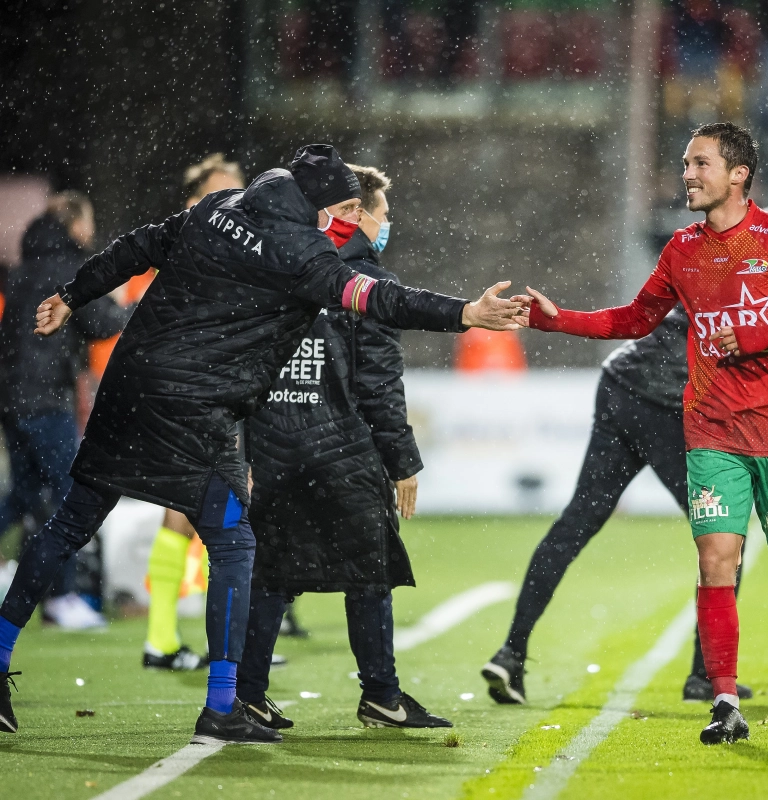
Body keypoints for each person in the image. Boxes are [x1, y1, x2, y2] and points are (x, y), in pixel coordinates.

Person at [0, 144, 524, 742]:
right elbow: (380, 299)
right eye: (348, 208)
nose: (354, 221)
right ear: (320, 206)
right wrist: (464, 313)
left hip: (133, 384)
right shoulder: (302, 254)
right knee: (233, 546)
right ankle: (225, 705)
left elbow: (139, 245)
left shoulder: (219, 207)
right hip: (200, 408)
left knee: (70, 523)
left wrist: (73, 295)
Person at [518, 123, 768, 744]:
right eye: (685, 164)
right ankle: (723, 700)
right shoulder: (681, 250)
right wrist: (557, 318)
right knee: (714, 559)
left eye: (701, 164)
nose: (688, 174)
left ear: (738, 174)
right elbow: (634, 318)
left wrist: (758, 335)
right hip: (711, 426)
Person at [236, 164, 451, 731]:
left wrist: (244, 445)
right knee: (369, 572)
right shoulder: (363, 282)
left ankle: (246, 694)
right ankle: (381, 694)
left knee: (273, 574)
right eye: (382, 213)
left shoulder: (276, 267)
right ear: (357, 214)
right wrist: (402, 461)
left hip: (276, 447)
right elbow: (378, 382)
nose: (387, 224)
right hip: (340, 449)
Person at [482, 302, 755, 705]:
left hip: (621, 383)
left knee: (574, 525)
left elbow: (641, 313)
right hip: (669, 405)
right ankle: (704, 675)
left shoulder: (708, 254)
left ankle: (511, 651)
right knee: (725, 539)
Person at [0, 191, 132, 630]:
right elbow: (100, 323)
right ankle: (63, 597)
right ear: (76, 224)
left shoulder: (22, 269)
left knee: (22, 495)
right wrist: (132, 306)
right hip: (46, 400)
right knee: (67, 498)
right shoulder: (67, 268)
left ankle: (46, 590)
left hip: (12, 401)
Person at [143, 153, 246, 671]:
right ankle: (170, 638)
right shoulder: (190, 241)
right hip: (189, 392)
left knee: (202, 514)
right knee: (201, 513)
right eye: (225, 192)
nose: (238, 202)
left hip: (213, 388)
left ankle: (186, 639)